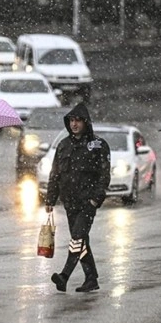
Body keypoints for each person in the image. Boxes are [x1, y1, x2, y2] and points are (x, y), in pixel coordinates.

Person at [45, 103, 110, 293]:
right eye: (71, 120)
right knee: (82, 240)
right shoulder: (63, 145)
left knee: (77, 237)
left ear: (85, 122)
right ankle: (91, 278)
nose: (74, 124)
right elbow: (55, 174)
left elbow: (104, 176)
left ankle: (64, 276)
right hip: (70, 201)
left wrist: (95, 200)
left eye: (78, 120)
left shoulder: (98, 145)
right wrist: (50, 198)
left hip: (87, 202)